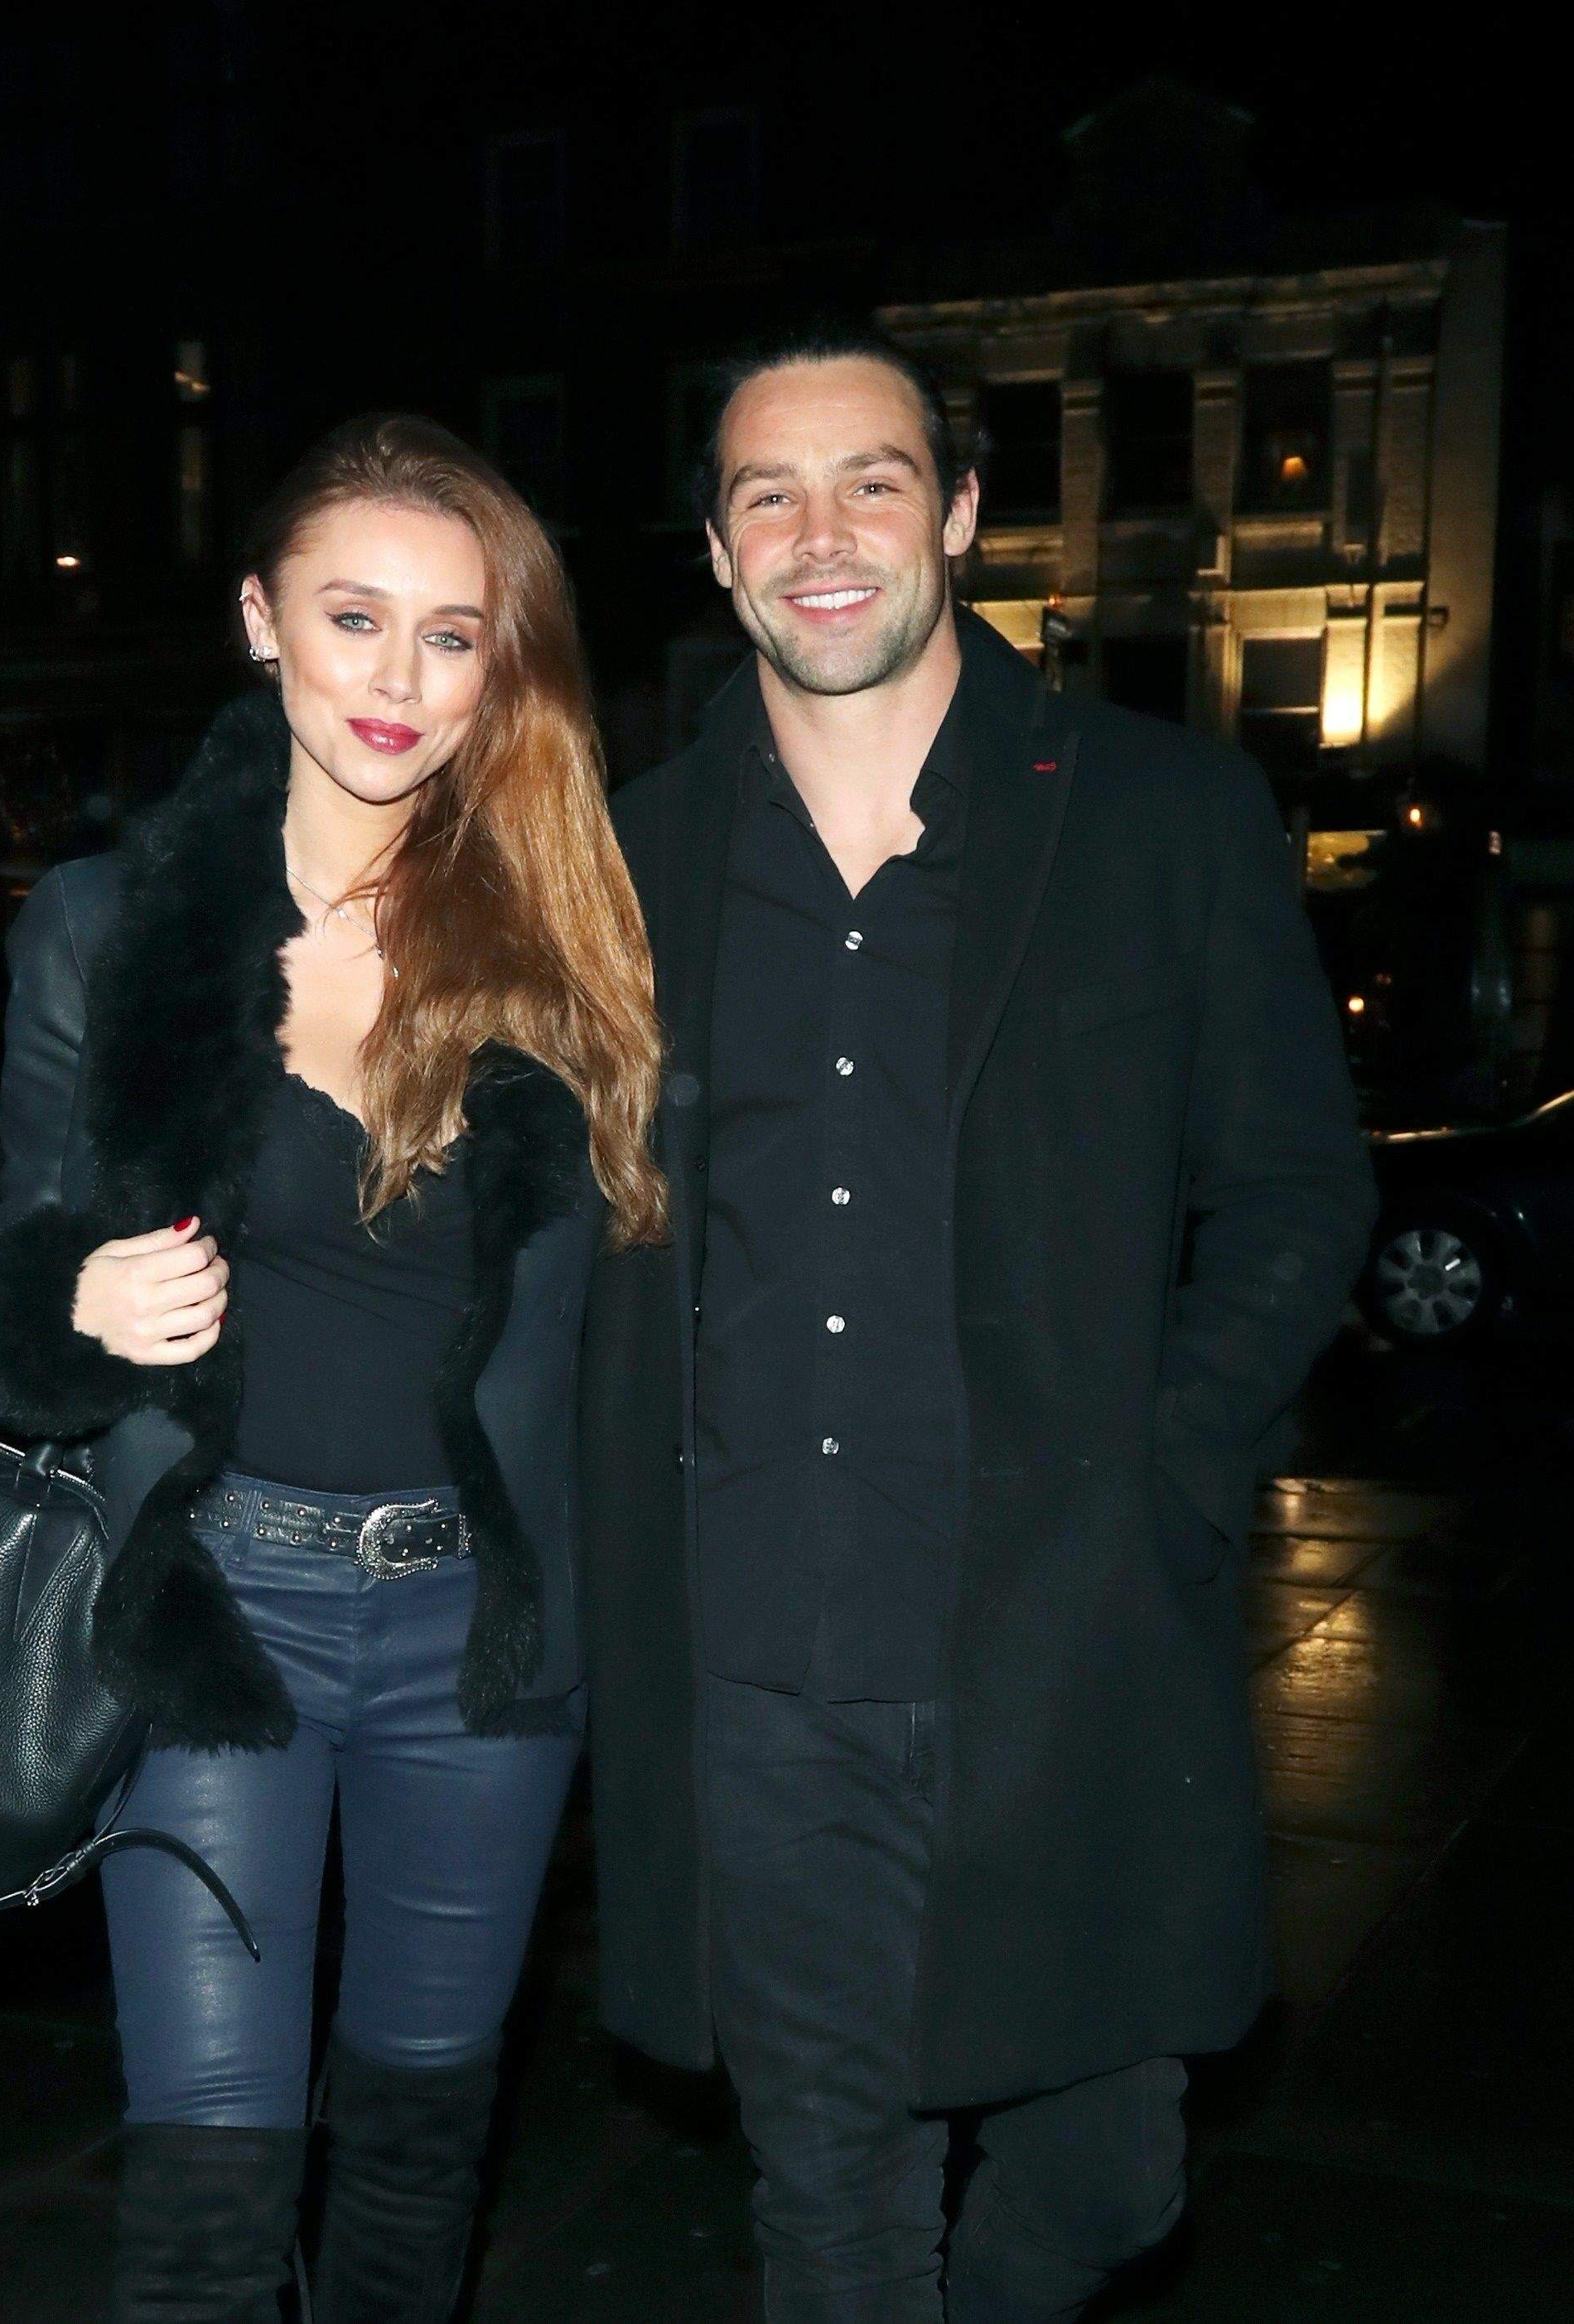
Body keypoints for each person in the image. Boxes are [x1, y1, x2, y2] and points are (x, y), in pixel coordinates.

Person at [577, 333, 1378, 2322]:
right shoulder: (623, 857)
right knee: (836, 2214)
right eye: (766, 492)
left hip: (1057, 1637)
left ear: (952, 513)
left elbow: (1292, 1191)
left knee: (1105, 2178)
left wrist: (1162, 1477)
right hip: (759, 1663)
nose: (819, 532)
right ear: (715, 548)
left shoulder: (1159, 813)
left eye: (869, 479)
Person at [0, 413, 666, 2324]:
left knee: (416, 2167)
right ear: (263, 619)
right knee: (205, 2193)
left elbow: (645, 1309)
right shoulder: (107, 928)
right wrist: (74, 1300)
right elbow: (15, 1273)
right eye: (353, 617)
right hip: (213, 1616)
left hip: (481, 1634)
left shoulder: (574, 941)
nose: (397, 676)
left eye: (451, 633)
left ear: (497, 665)